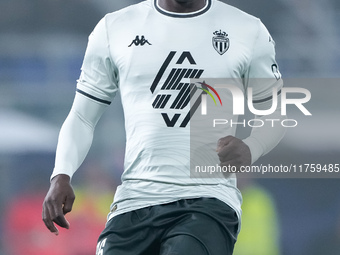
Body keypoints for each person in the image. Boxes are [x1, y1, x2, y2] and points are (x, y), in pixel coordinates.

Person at [42, 0, 286, 254]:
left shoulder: (247, 30)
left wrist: (251, 147)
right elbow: (82, 116)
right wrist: (61, 174)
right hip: (134, 200)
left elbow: (276, 114)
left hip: (208, 199)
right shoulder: (114, 28)